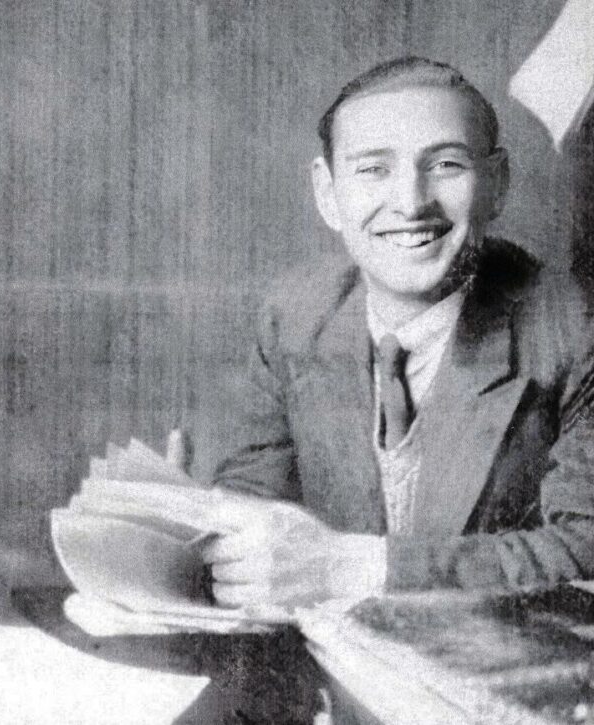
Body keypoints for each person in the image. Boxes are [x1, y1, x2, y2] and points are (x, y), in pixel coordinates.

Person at [190, 57, 594, 721]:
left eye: (447, 165)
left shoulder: (570, 325)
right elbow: (256, 503)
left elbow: (584, 549)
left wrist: (353, 567)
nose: (410, 202)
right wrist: (198, 531)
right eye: (373, 168)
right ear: (328, 193)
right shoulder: (294, 313)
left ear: (496, 184)